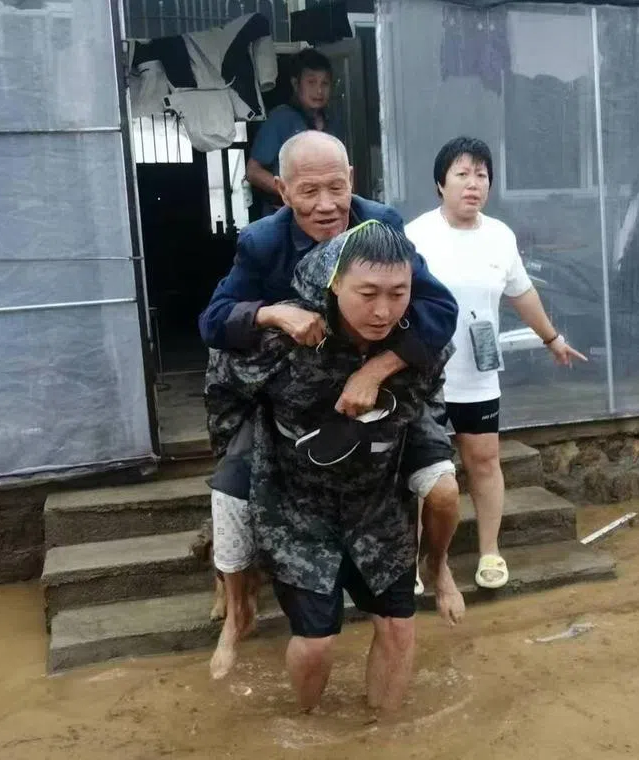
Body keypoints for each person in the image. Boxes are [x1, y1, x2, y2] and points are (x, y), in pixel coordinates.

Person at [199, 131, 464, 680]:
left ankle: (438, 570)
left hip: (387, 386)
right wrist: (272, 314)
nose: (326, 205)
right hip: (295, 387)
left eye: (337, 188)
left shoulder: (381, 226)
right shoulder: (262, 243)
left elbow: (439, 310)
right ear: (281, 189)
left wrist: (376, 368)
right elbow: (214, 323)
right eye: (310, 190)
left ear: (353, 182)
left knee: (442, 487)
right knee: (230, 490)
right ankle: (235, 603)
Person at [405, 136, 587, 590]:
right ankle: (410, 562)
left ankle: (489, 551)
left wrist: (552, 338)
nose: (473, 184)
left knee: (483, 460)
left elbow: (521, 293)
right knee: (418, 469)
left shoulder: (500, 236)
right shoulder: (415, 236)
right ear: (440, 184)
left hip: (478, 372)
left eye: (482, 175)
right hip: (425, 376)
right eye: (462, 174)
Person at [246, 48, 336, 217]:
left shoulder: (332, 122)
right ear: (296, 84)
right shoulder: (281, 119)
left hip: (323, 213)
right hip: (285, 216)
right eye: (311, 82)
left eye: (324, 83)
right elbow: (253, 172)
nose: (319, 91)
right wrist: (292, 194)